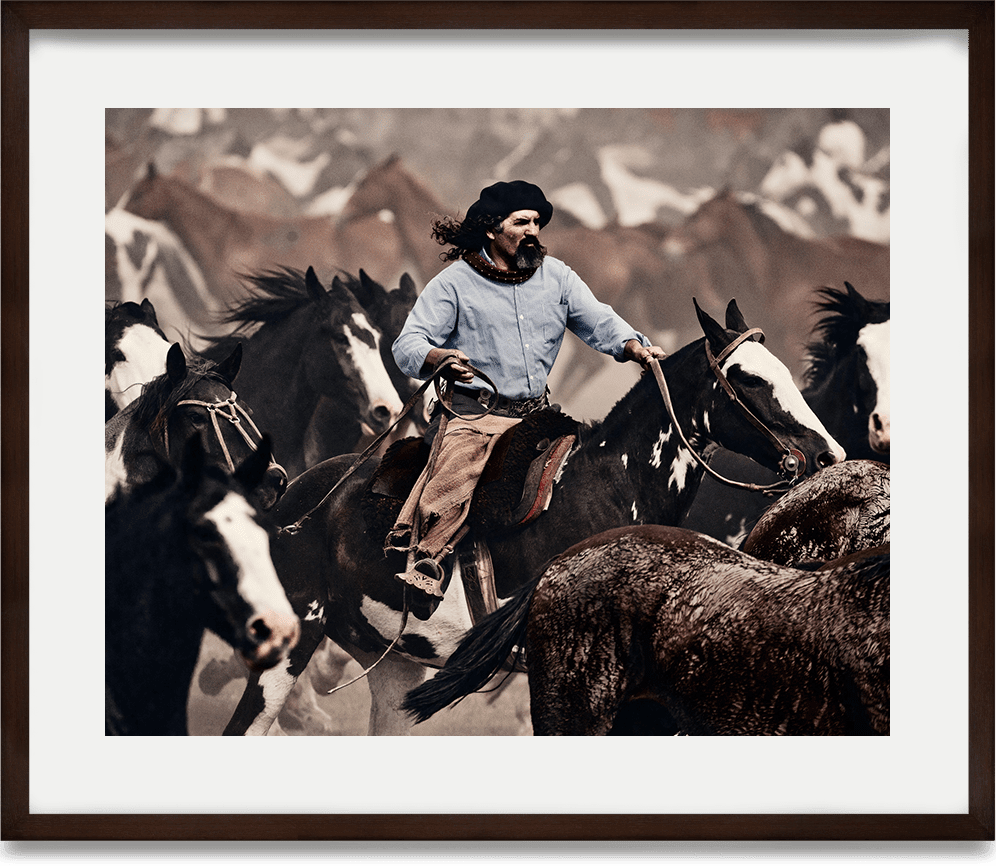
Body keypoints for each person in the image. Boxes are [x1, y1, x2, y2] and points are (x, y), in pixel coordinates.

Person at [389, 179, 666, 614]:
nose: (533, 230)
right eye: (521, 222)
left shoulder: (558, 277)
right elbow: (408, 344)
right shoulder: (453, 284)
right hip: (474, 418)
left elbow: (598, 320)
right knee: (454, 477)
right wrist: (438, 356)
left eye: (537, 222)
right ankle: (427, 559)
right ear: (491, 230)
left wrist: (633, 345)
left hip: (538, 415)